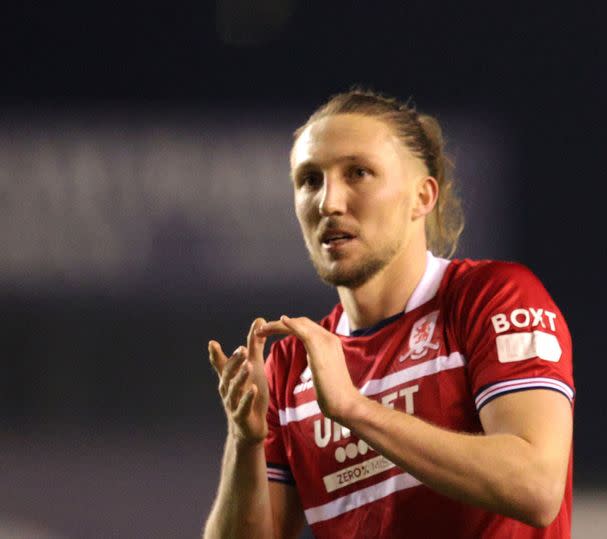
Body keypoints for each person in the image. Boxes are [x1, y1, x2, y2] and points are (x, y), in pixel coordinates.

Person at [204, 89, 575, 538]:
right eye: (309, 180)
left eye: (358, 173)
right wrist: (246, 442)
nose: (329, 202)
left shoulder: (492, 298)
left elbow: (536, 486)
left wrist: (355, 410)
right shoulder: (290, 369)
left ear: (422, 197)